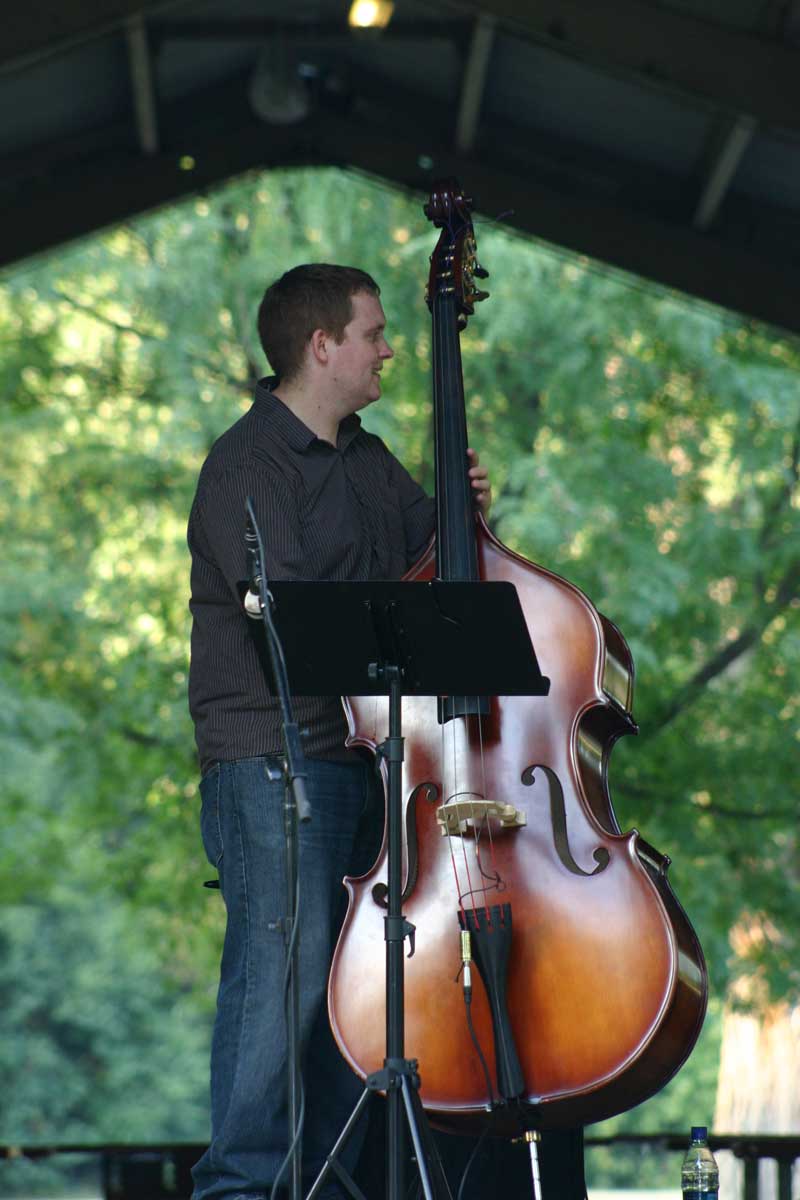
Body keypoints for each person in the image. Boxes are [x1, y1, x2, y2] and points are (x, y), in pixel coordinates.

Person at [187, 263, 491, 1200]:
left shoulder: (368, 457)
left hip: (367, 763)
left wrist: (464, 519)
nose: (390, 348)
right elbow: (301, 620)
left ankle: (318, 1187)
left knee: (352, 1004)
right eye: (373, 333)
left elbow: (434, 577)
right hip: (274, 767)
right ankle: (237, 1191)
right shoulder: (248, 465)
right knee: (278, 993)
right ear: (323, 346)